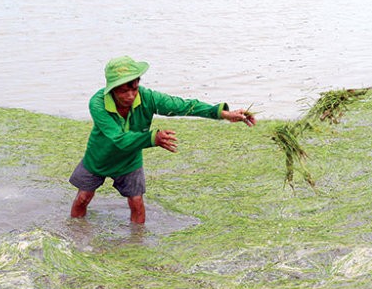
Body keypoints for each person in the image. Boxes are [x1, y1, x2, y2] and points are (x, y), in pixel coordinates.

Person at [69, 56, 256, 224]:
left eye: (134, 89)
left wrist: (222, 113)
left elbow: (182, 106)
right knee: (83, 198)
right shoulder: (98, 103)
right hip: (98, 158)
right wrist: (153, 138)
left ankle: (136, 244)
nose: (131, 96)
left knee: (136, 203)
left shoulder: (147, 97)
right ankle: (76, 234)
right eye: (123, 91)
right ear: (112, 90)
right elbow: (118, 138)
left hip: (129, 161)